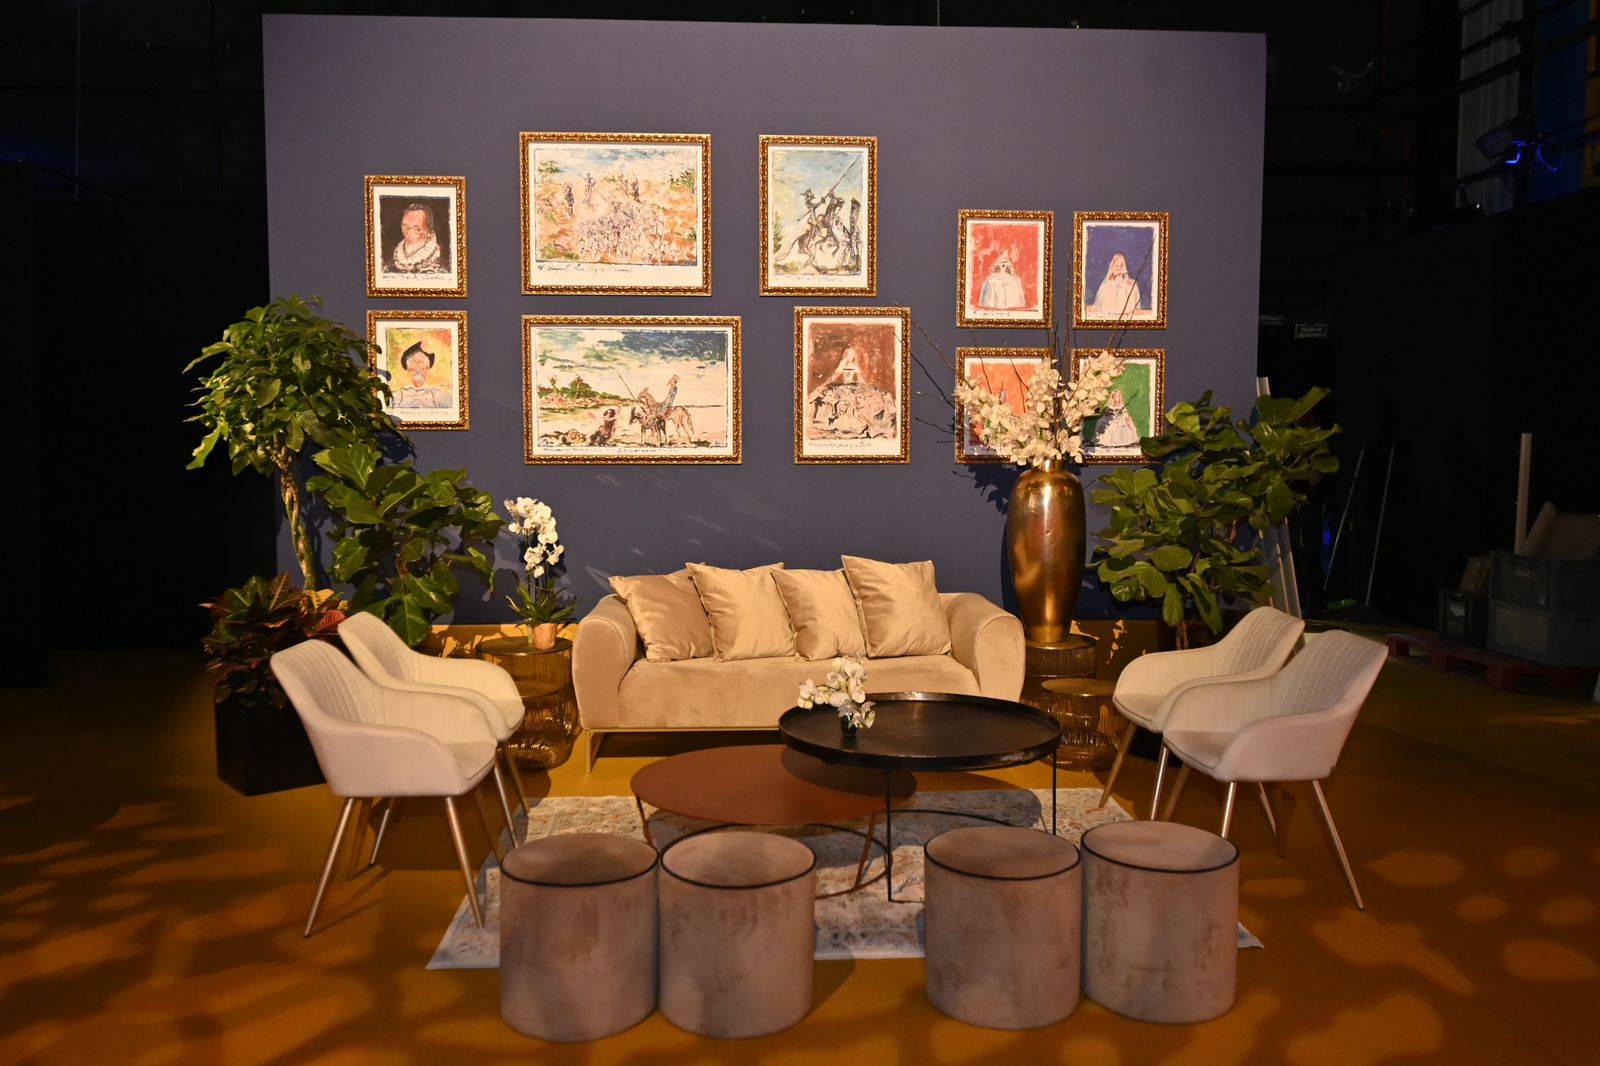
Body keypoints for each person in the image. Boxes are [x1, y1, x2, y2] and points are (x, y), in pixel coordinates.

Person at [392, 342, 452, 408]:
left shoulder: (439, 396)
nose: (418, 369)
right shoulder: (397, 395)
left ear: (427, 367)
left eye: (422, 363)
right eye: (414, 363)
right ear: (408, 368)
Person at [390, 203, 444, 274]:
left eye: (417, 229)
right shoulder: (389, 267)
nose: (408, 234)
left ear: (429, 234)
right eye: (406, 228)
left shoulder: (443, 269)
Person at [1090, 252, 1143, 317]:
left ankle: (1124, 309)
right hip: (1114, 282)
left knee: (1129, 287)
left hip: (1122, 282)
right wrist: (1114, 274)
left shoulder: (1123, 269)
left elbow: (1126, 277)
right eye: (1118, 261)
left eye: (1121, 261)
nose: (1119, 262)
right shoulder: (1113, 269)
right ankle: (1112, 308)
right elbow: (1109, 278)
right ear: (1115, 261)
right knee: (1113, 288)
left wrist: (1127, 280)